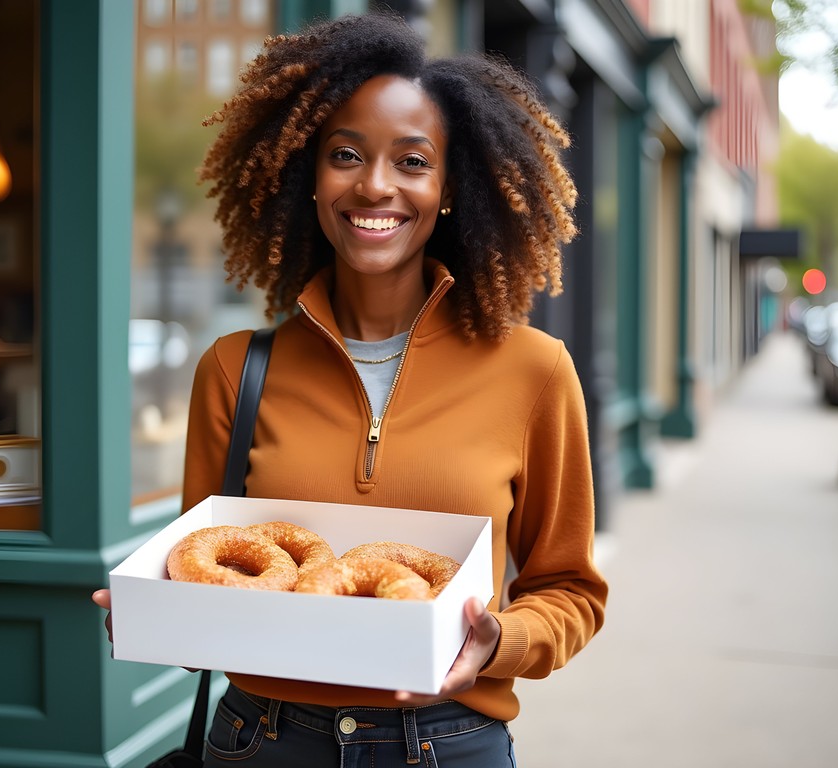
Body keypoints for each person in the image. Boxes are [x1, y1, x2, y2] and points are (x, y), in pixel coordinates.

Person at [94, 11, 606, 766]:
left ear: (451, 186)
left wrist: (502, 639)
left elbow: (571, 591)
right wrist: (160, 616)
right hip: (259, 740)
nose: (375, 185)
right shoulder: (235, 370)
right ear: (309, 176)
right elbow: (205, 587)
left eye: (412, 161)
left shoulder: (534, 371)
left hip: (447, 741)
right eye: (345, 155)